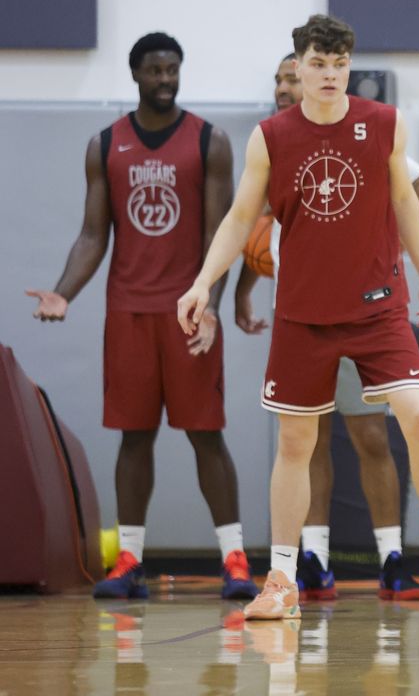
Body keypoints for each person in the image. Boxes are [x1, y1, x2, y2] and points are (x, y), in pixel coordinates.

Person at [177, 14, 419, 622]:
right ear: (298, 67)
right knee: (296, 440)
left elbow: (404, 201)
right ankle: (282, 579)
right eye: (319, 64)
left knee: (417, 418)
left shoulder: (384, 124)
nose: (330, 75)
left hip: (376, 305)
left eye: (340, 65)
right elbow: (239, 219)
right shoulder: (271, 137)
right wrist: (203, 282)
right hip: (303, 313)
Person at [26, 31, 257, 600]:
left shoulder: (211, 142)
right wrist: (63, 293)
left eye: (172, 70)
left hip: (188, 313)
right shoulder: (106, 144)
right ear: (135, 74)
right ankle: (129, 560)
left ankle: (235, 561)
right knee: (135, 436)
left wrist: (211, 310)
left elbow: (220, 237)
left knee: (207, 434)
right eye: (154, 71)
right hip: (128, 312)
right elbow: (91, 235)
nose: (165, 80)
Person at [233, 53, 419, 602]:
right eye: (280, 77)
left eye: (292, 74)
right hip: (301, 308)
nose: (286, 84)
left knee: (372, 434)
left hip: (363, 303)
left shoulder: (366, 127)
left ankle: (393, 558)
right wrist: (242, 291)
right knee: (307, 439)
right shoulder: (273, 141)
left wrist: (378, 252)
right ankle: (313, 560)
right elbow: (254, 235)